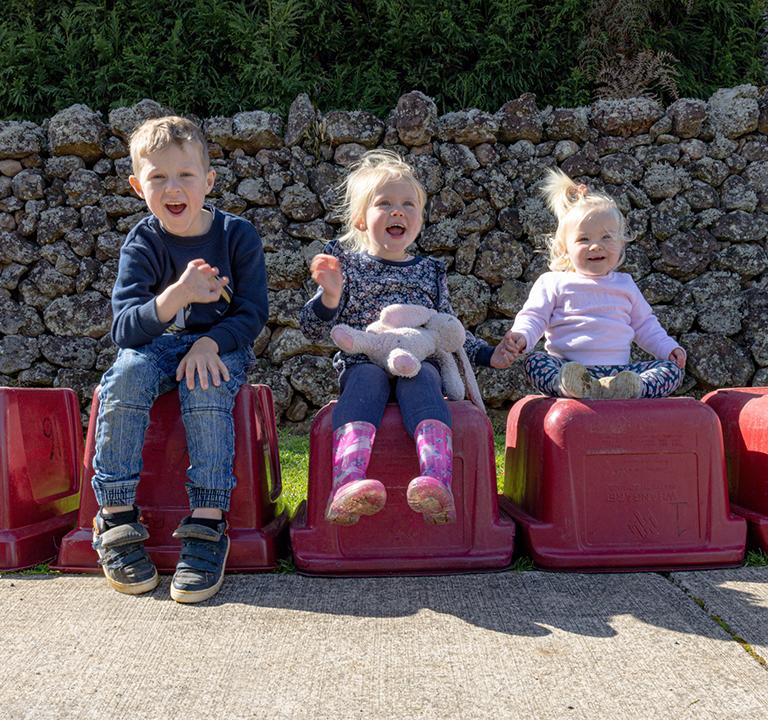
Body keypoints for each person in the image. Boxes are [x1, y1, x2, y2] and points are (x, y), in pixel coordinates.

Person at [90, 116, 268, 603]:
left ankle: (208, 525)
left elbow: (252, 313)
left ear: (208, 181)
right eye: (158, 177)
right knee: (123, 376)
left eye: (186, 175)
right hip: (154, 348)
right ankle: (116, 516)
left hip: (218, 346)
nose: (173, 187)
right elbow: (125, 330)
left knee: (204, 384)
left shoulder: (237, 235)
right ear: (137, 186)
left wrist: (210, 343)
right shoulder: (143, 242)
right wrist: (176, 295)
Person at [300, 149, 511, 527]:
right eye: (384, 203)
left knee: (425, 378)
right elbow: (314, 330)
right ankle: (348, 481)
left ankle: (436, 479)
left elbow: (447, 331)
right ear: (360, 220)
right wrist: (329, 297)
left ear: (419, 218)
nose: (398, 211)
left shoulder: (430, 271)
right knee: (365, 379)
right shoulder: (347, 265)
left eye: (408, 204)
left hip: (417, 361)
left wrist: (488, 355)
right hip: (364, 359)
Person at [501, 168, 685, 399]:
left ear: (621, 243)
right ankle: (573, 387)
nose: (596, 246)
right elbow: (534, 317)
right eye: (584, 239)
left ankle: (630, 389)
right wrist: (522, 336)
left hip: (620, 374)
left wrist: (668, 348)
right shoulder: (553, 283)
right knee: (535, 362)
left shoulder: (625, 285)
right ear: (565, 248)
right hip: (567, 368)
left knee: (670, 371)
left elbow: (645, 325)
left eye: (606, 237)